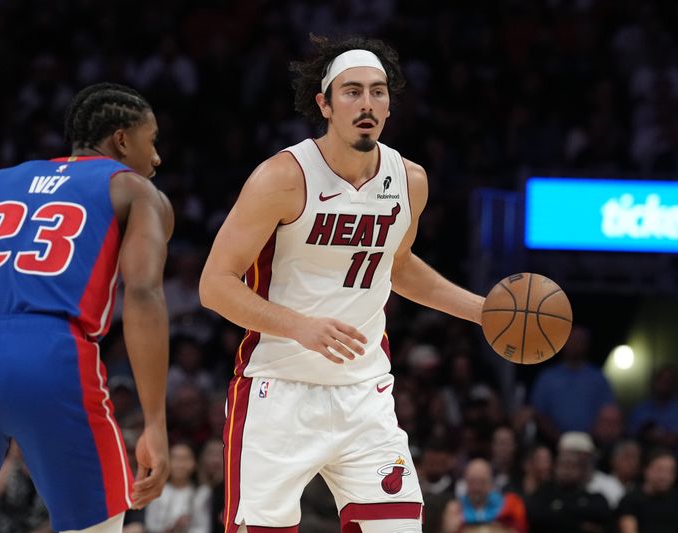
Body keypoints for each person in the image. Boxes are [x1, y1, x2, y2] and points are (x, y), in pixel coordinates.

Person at [199, 35, 485, 532]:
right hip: (278, 389)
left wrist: (483, 310)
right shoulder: (282, 177)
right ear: (324, 104)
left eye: (378, 91)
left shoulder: (409, 180)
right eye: (351, 91)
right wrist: (301, 328)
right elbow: (215, 285)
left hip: (364, 393)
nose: (367, 103)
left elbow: (396, 266)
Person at [0, 82, 173, 533]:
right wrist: (155, 422)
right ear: (122, 139)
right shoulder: (134, 190)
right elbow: (143, 296)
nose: (156, 157)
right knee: (96, 523)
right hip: (50, 351)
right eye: (152, 140)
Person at [617, 449, 678, 533]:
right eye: (660, 470)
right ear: (646, 470)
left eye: (670, 471)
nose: (665, 476)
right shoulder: (630, 500)